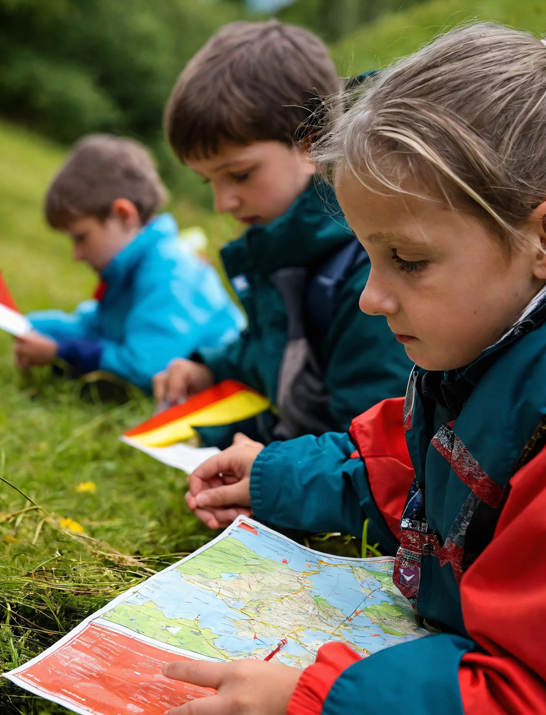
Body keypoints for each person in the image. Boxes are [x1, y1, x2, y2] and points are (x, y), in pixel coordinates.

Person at [161, 23, 546, 714]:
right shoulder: (476, 360)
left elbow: (524, 688)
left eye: (409, 259)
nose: (371, 297)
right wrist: (276, 474)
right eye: (370, 255)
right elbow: (408, 469)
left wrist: (315, 697)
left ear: (540, 239)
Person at [155, 20, 411, 447]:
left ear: (311, 145)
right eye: (209, 182)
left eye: (239, 174)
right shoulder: (283, 247)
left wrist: (270, 477)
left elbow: (373, 441)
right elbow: (273, 350)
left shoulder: (365, 268)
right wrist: (210, 368)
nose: (223, 202)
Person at [13, 134, 244, 393]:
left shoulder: (171, 273)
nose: (76, 254)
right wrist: (29, 326)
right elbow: (97, 327)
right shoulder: (134, 265)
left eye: (81, 237)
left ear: (124, 215)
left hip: (231, 393)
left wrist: (62, 352)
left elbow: (147, 367)